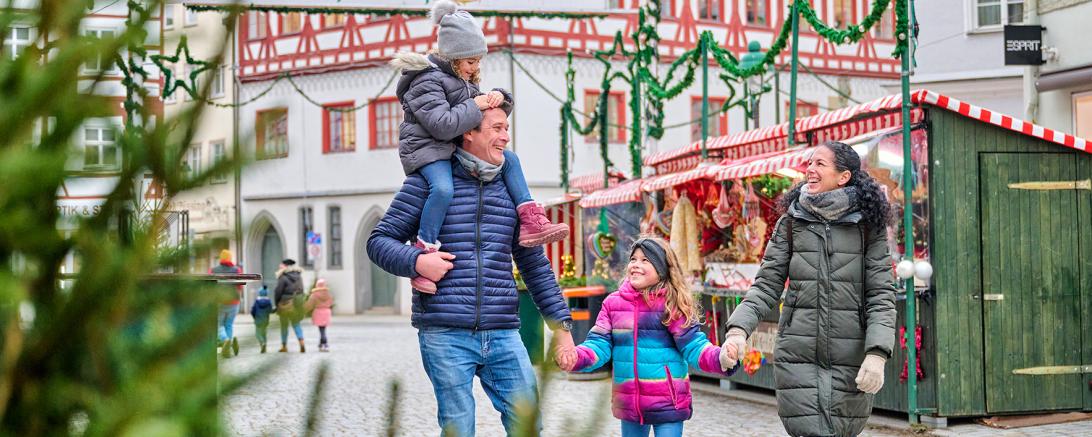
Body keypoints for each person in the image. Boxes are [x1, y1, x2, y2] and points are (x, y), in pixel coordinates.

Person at [367, 98, 575, 435]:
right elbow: (379, 241)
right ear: (468, 134)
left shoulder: (511, 187)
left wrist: (562, 330)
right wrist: (418, 261)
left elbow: (534, 264)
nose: (506, 137)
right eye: (497, 128)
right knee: (459, 428)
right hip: (445, 333)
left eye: (507, 128)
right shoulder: (429, 184)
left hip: (504, 332)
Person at [719, 141, 897, 437]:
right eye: (810, 163)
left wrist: (877, 354)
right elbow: (766, 286)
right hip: (797, 354)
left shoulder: (867, 228)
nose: (810, 170)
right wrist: (738, 332)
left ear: (843, 176)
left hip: (850, 354)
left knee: (842, 430)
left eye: (819, 164)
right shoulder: (791, 223)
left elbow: (881, 295)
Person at [389, 0, 567, 293]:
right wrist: (476, 103)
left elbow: (481, 114)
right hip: (426, 149)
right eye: (470, 62)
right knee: (443, 189)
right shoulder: (426, 80)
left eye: (478, 62)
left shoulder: (463, 79)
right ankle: (426, 246)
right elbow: (443, 124)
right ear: (453, 57)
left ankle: (530, 217)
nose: (475, 68)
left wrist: (500, 97)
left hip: (448, 147)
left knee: (510, 159)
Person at [560, 237, 737, 437]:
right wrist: (576, 357)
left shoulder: (671, 304)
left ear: (662, 268)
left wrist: (720, 359)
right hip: (630, 406)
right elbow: (599, 344)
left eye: (645, 260)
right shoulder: (613, 304)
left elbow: (694, 345)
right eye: (633, 259)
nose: (636, 265)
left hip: (668, 403)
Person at [210, 249, 243, 358]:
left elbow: (209, 286)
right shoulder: (237, 270)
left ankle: (225, 341)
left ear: (221, 258)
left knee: (218, 325)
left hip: (219, 302)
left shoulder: (213, 270)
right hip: (234, 302)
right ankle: (227, 348)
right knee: (229, 324)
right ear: (230, 258)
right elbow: (240, 286)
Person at [273, 259, 306, 353]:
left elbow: (278, 292)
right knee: (296, 323)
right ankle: (302, 342)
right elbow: (302, 290)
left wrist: (277, 304)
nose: (280, 266)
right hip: (296, 303)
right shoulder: (299, 276)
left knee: (284, 325)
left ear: (285, 266)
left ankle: (284, 346)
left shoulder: (283, 277)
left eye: (281, 265)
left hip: (285, 304)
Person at [305, 278, 334, 352]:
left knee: (321, 330)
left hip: (318, 312)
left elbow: (309, 305)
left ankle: (325, 343)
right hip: (326, 312)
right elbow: (331, 303)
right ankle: (321, 344)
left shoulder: (314, 294)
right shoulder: (328, 294)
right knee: (323, 329)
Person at [250, 285, 274, 353]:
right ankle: (264, 347)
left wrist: (255, 317)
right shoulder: (268, 301)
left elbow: (252, 311)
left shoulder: (257, 301)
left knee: (258, 334)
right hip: (265, 320)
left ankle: (262, 343)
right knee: (264, 334)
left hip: (258, 320)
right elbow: (270, 310)